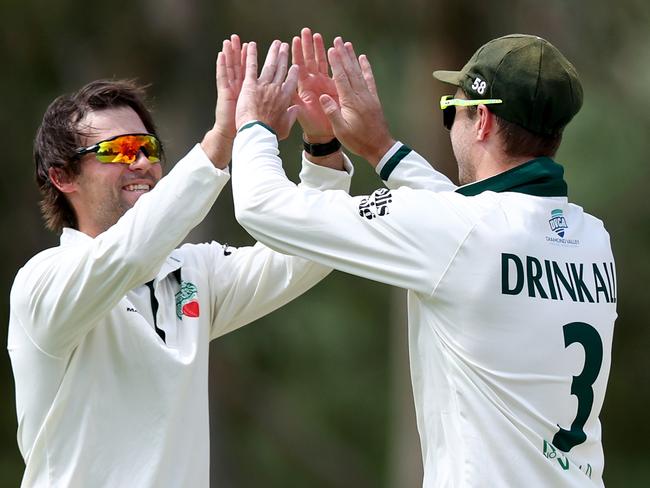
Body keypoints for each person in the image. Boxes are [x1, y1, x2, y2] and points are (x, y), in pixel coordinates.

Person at [231, 32, 617, 487]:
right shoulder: (591, 237)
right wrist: (381, 149)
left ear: (483, 121)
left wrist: (254, 125)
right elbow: (464, 227)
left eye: (450, 111)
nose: (449, 122)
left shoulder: (460, 233)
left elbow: (261, 208)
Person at [7, 35, 353, 487]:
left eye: (148, 148)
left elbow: (306, 255)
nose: (141, 163)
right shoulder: (42, 284)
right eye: (117, 151)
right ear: (61, 176)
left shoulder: (192, 272)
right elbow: (129, 252)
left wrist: (322, 147)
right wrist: (223, 139)